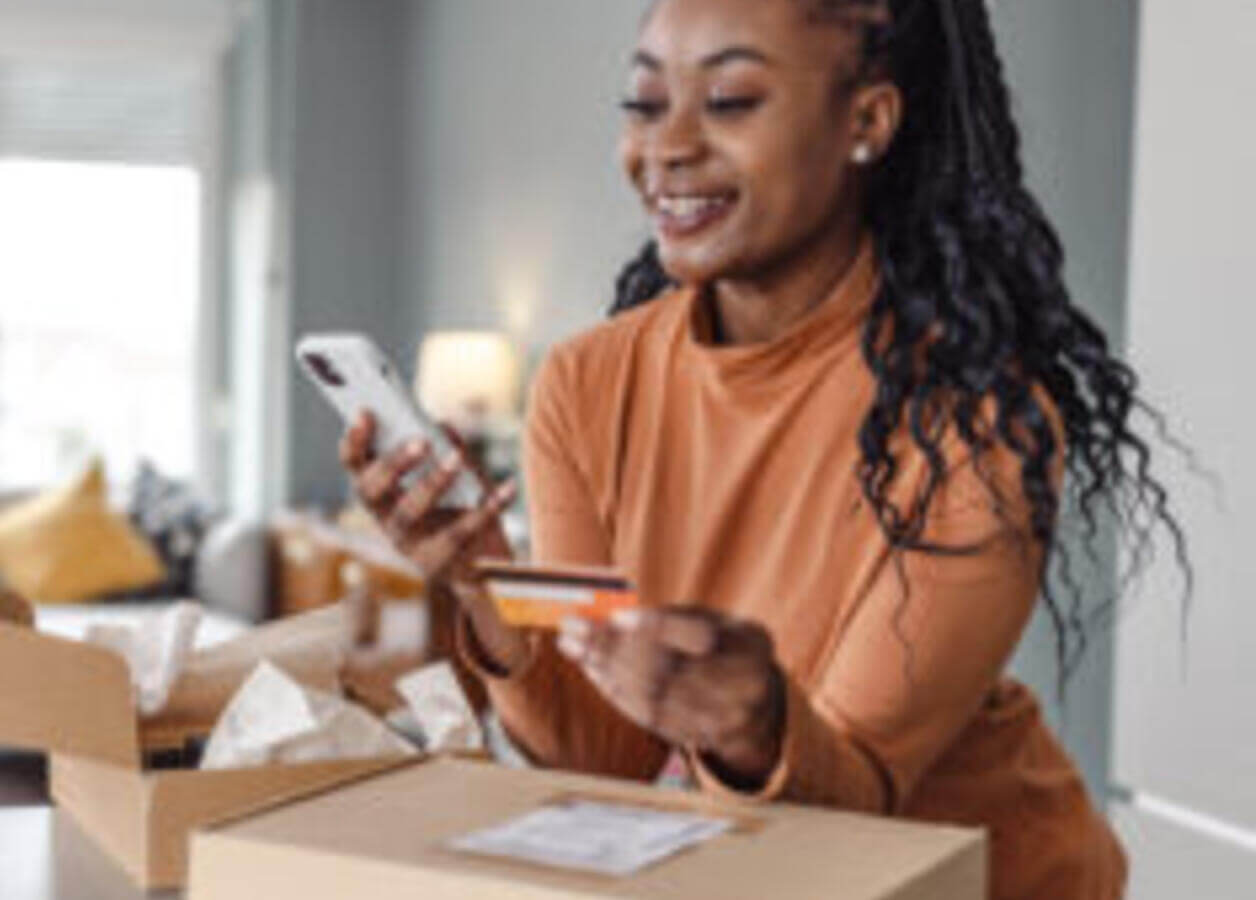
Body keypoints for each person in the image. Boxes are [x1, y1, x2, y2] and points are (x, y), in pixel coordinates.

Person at [339, 1, 1183, 898]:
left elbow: (857, 797)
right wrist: (480, 575)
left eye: (732, 100)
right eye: (645, 101)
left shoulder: (975, 423)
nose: (667, 145)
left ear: (867, 121)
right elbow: (608, 757)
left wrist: (757, 727)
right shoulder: (585, 385)